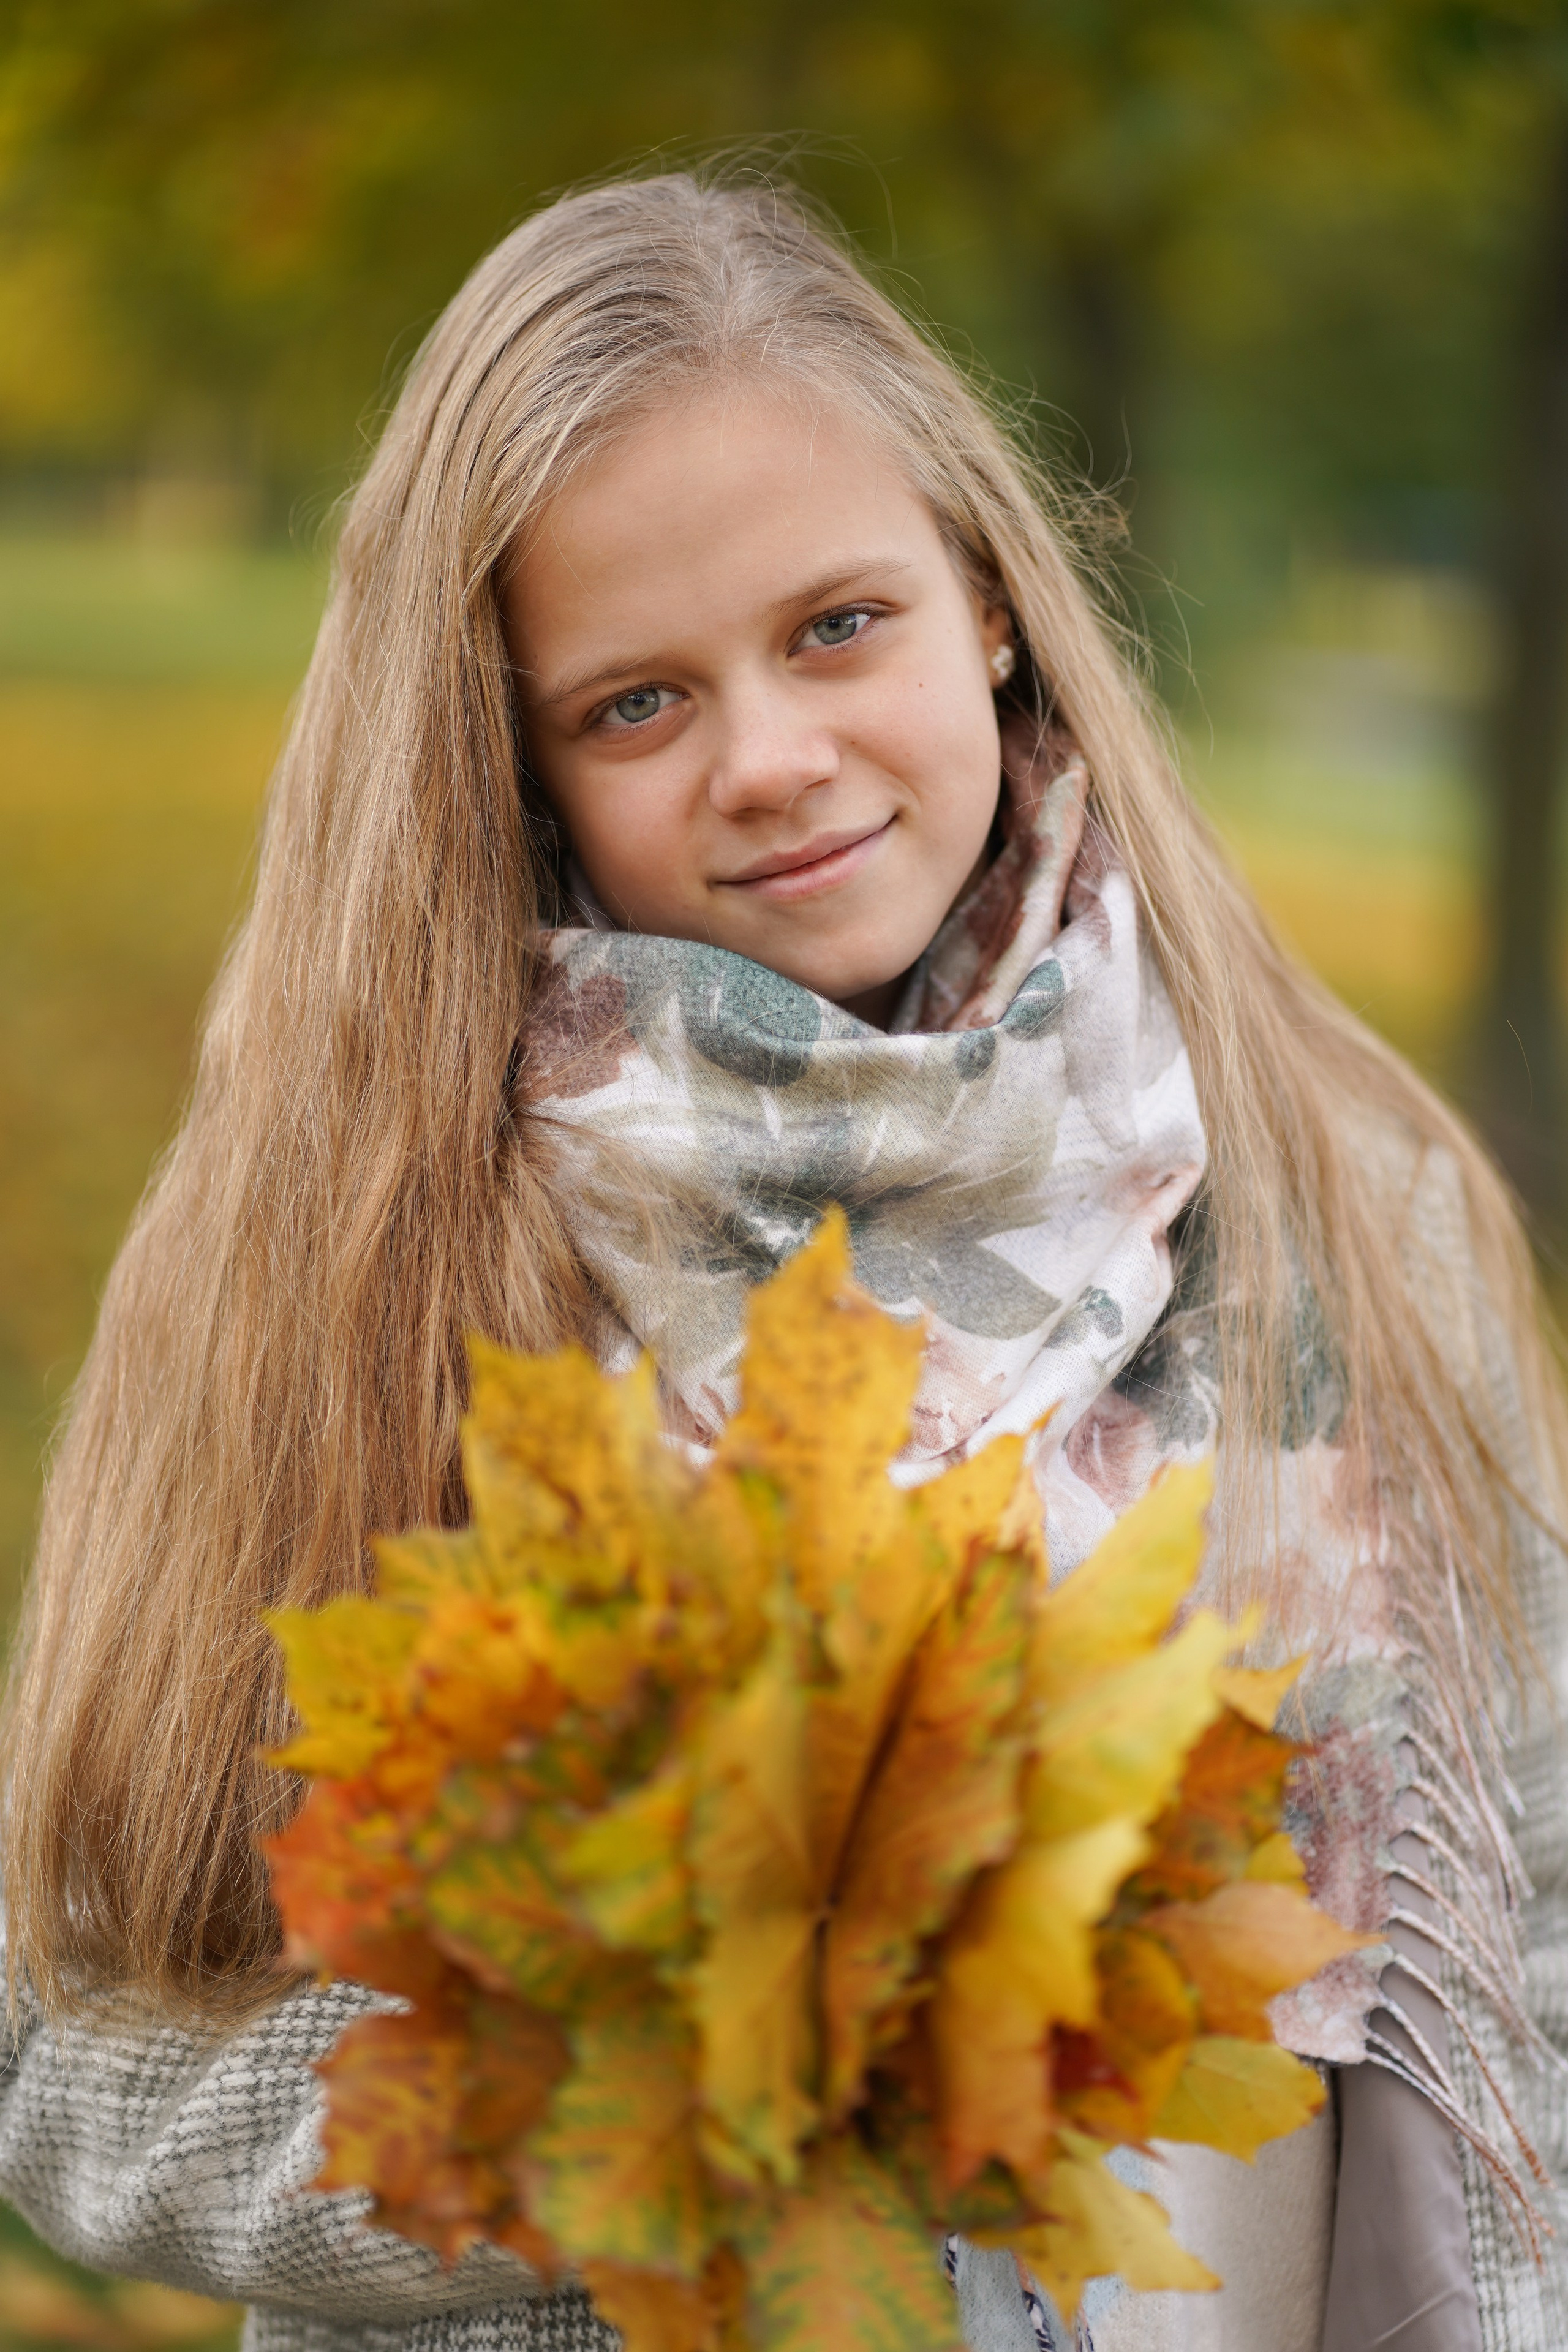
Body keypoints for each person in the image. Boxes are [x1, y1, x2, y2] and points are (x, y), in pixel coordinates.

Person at [0, 168, 1563, 2352]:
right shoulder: (378, 1259)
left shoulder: (1350, 1201)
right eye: (637, 704)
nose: (773, 759)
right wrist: (648, 2097)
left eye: (840, 626)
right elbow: (72, 2057)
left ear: (993, 601)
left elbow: (1540, 1939)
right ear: (513, 759)